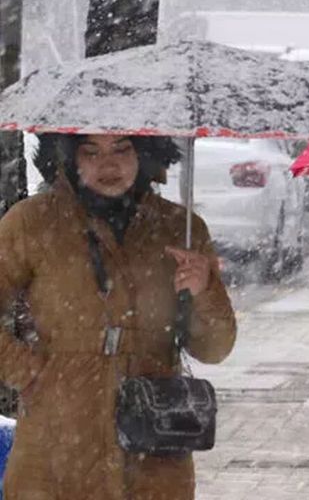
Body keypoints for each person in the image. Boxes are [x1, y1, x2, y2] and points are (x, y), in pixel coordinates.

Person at [0, 133, 237, 499]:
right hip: (54, 451)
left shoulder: (180, 229)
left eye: (122, 149)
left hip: (154, 452)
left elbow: (215, 348)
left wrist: (205, 290)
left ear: (144, 153)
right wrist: (28, 373)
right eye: (90, 151)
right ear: (67, 157)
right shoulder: (32, 223)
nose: (108, 165)